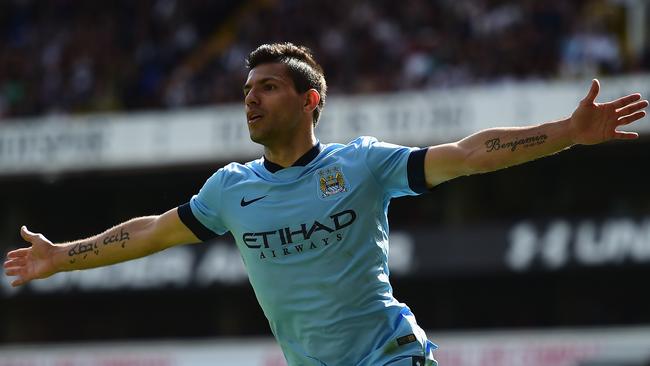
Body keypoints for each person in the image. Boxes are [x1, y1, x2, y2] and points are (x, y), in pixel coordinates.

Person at [3, 42, 648, 366]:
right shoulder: (231, 190)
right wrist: (64, 256)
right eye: (247, 90)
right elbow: (151, 233)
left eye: (270, 87)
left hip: (392, 356)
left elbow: (470, 153)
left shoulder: (362, 164)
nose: (251, 99)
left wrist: (566, 133)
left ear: (311, 101)